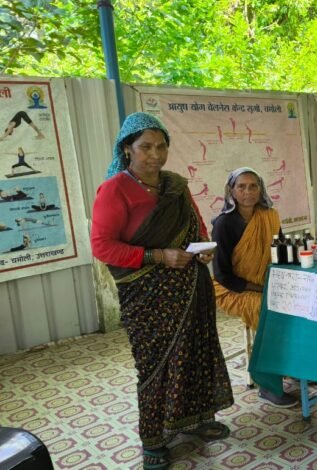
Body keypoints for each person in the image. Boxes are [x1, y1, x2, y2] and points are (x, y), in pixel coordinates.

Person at [90, 112, 233, 470]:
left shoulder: (175, 185)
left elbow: (197, 226)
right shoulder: (115, 189)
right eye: (146, 147)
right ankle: (153, 439)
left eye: (161, 146)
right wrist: (158, 256)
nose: (155, 155)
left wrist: (204, 248)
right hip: (147, 294)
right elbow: (103, 246)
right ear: (127, 149)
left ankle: (197, 418)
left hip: (191, 286)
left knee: (196, 353)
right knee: (154, 365)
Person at [211, 167, 299, 408]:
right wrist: (261, 289)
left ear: (260, 189)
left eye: (253, 186)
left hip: (267, 282)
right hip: (234, 289)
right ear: (231, 191)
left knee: (300, 304)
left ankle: (294, 368)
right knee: (267, 312)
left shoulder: (269, 216)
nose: (248, 192)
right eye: (241, 187)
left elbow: (280, 251)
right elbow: (221, 274)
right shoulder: (224, 224)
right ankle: (268, 386)